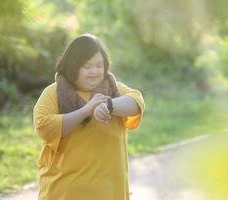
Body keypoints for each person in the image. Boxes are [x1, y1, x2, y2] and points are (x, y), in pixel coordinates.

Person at [33, 33, 145, 200]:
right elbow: (43, 127)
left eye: (99, 65)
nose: (94, 71)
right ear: (73, 66)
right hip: (64, 193)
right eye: (87, 66)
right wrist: (85, 111)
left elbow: (137, 102)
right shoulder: (53, 93)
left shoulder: (113, 90)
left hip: (109, 192)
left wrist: (108, 105)